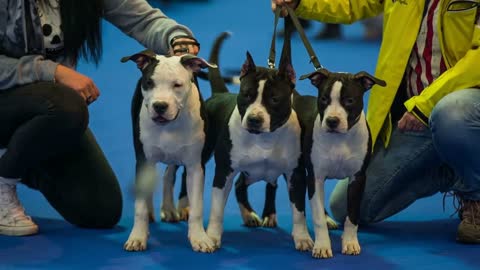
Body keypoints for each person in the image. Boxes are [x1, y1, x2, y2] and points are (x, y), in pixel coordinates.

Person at [271, 0, 480, 243]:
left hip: (462, 107)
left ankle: (475, 194)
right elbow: (353, 4)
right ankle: (455, 167)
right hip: (412, 118)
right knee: (347, 207)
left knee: (451, 113)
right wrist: (302, 3)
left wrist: (426, 104)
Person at [0, 0, 199, 236]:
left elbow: (143, 19)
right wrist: (52, 71)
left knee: (100, 210)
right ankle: (5, 180)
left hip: (44, 105)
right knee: (67, 107)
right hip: (26, 100)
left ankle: (19, 160)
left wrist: (176, 38)